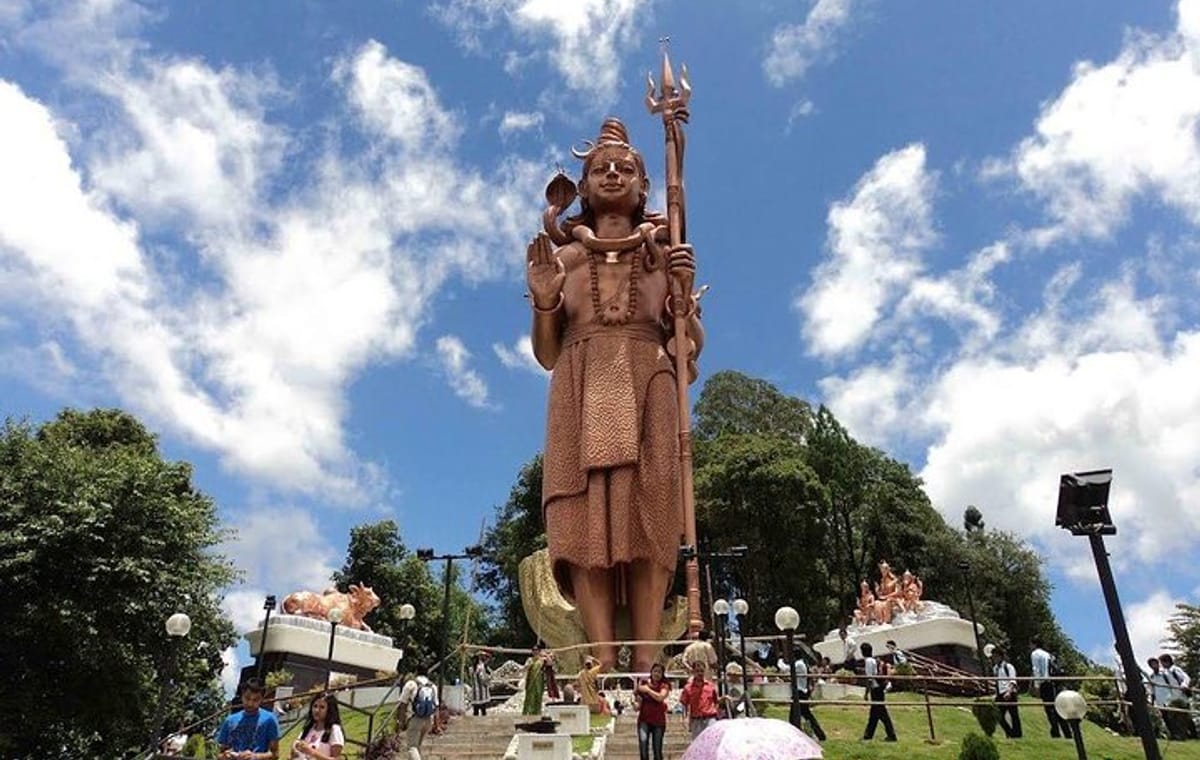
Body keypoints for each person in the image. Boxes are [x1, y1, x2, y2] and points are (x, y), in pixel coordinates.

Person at [527, 116, 703, 673]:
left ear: (644, 187)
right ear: (580, 188)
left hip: (646, 380)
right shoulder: (566, 259)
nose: (610, 174)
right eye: (599, 168)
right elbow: (548, 353)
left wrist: (683, 304)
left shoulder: (661, 256)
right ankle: (601, 661)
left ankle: (648, 663)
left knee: (651, 519)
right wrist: (545, 303)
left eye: (624, 167)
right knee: (584, 525)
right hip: (579, 383)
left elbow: (686, 354)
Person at [216, 678, 281, 760]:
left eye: (255, 700)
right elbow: (220, 754)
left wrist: (255, 757)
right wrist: (225, 756)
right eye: (247, 698)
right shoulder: (229, 721)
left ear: (262, 699)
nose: (250, 703)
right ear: (242, 696)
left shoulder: (270, 719)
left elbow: (275, 754)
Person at [778, 648, 825, 741]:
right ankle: (819, 735)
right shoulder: (801, 663)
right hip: (801, 692)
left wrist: (779, 660)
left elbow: (785, 668)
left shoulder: (798, 664)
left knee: (795, 716)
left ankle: (797, 735)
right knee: (805, 715)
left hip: (799, 693)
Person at [1030, 638, 1071, 739]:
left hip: (1045, 683)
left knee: (1049, 709)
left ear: (1034, 644)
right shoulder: (1047, 654)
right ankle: (1067, 733)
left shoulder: (1035, 654)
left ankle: (1055, 732)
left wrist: (1036, 685)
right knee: (1057, 707)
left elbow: (1036, 669)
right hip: (1054, 683)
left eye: (1030, 644)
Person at [398, 662, 438, 760]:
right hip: (428, 720)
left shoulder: (411, 684)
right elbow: (436, 705)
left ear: (416, 671)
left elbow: (403, 704)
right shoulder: (432, 686)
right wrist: (436, 724)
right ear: (427, 672)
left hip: (415, 719)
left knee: (412, 747)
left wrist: (401, 721)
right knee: (417, 746)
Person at [860, 643, 897, 742]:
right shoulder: (874, 660)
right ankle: (868, 735)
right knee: (874, 714)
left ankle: (891, 735)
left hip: (875, 689)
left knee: (881, 713)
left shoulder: (868, 661)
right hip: (879, 688)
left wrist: (866, 693)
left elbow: (869, 679)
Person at [290, 693, 344, 760]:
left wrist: (312, 752)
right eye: (315, 706)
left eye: (322, 707)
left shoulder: (334, 730)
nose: (317, 710)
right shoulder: (309, 728)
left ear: (330, 710)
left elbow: (337, 758)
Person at [635, 663, 671, 760]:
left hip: (658, 721)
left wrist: (648, 690)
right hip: (644, 720)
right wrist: (635, 703)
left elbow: (660, 697)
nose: (657, 674)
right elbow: (637, 701)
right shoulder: (644, 683)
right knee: (643, 745)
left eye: (659, 672)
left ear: (662, 674)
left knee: (657, 750)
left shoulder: (664, 685)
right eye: (655, 671)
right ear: (651, 672)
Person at [679, 661, 720, 740]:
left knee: (711, 741)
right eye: (697, 671)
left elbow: (716, 701)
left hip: (710, 718)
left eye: (701, 671)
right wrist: (685, 718)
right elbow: (684, 704)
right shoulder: (688, 688)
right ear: (693, 672)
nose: (700, 673)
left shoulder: (710, 686)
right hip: (696, 720)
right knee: (697, 743)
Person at [1159, 653, 1195, 740]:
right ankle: (1179, 735)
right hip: (1173, 698)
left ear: (1167, 662)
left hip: (1181, 697)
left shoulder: (1175, 669)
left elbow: (1186, 677)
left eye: (1162, 662)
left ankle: (1186, 735)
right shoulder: (1165, 672)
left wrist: (1184, 685)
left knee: (1183, 717)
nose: (1162, 665)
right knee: (1173, 717)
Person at [991, 646, 1022, 738]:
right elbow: (996, 682)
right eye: (993, 656)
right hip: (1000, 694)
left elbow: (1013, 680)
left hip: (1009, 693)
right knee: (998, 715)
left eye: (996, 656)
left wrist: (1009, 692)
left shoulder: (1008, 667)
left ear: (1001, 656)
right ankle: (1009, 732)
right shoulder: (995, 668)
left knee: (1014, 715)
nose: (994, 658)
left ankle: (1017, 735)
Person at [522, 644, 547, 715]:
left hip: (539, 682)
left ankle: (537, 713)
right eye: (533, 650)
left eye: (536, 650)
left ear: (539, 651)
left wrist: (546, 655)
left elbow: (550, 663)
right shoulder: (530, 660)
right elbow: (525, 668)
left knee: (538, 697)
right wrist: (529, 665)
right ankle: (527, 713)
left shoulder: (542, 660)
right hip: (531, 682)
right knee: (529, 698)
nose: (535, 652)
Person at [470, 651, 492, 716]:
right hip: (481, 692)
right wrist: (489, 679)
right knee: (483, 710)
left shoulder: (471, 669)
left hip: (475, 692)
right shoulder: (480, 668)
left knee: (476, 711)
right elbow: (482, 679)